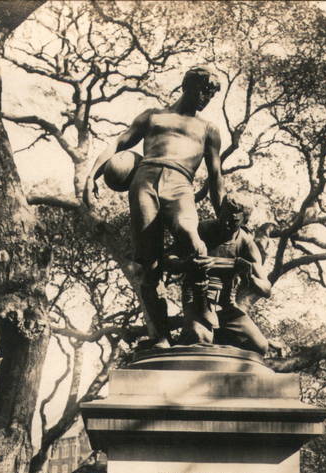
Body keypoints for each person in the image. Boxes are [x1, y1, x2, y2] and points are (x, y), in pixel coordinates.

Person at [84, 66, 225, 347]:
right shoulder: (153, 115)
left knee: (194, 243)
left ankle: (199, 323)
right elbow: (119, 142)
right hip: (144, 179)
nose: (204, 98)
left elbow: (216, 175)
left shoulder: (209, 129)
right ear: (187, 85)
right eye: (202, 91)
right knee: (148, 265)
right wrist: (92, 175)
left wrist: (224, 218)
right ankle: (159, 336)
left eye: (209, 95)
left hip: (181, 183)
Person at [174, 193, 275, 354]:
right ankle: (201, 331)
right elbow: (167, 258)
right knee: (200, 343)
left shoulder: (246, 243)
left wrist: (249, 277)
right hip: (197, 295)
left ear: (244, 221)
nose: (226, 223)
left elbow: (266, 289)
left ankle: (218, 333)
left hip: (227, 302)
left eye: (233, 221)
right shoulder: (202, 230)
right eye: (224, 216)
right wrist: (186, 264)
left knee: (259, 347)